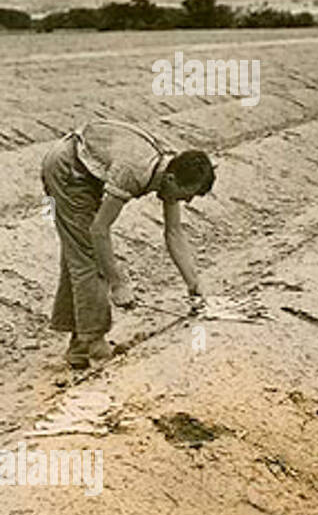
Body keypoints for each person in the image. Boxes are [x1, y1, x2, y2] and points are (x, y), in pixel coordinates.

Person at [41, 120, 214, 369]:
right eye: (187, 194)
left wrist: (194, 284)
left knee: (79, 253)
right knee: (89, 255)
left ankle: (80, 347)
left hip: (87, 169)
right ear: (173, 179)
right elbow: (99, 230)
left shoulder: (169, 170)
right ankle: (95, 348)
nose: (187, 201)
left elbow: (174, 232)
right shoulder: (134, 171)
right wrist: (118, 283)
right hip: (69, 169)